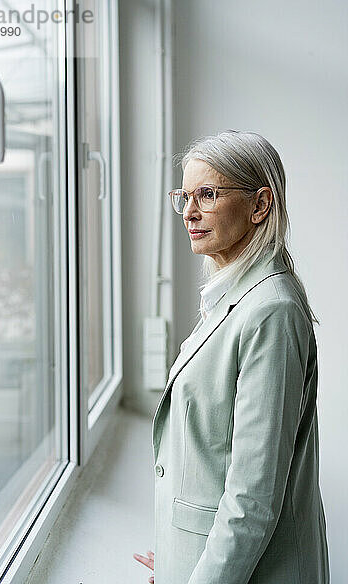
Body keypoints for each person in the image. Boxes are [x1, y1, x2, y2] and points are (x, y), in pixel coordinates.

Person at [133, 130, 330, 583]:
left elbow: (252, 498)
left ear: (260, 205)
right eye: (184, 195)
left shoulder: (272, 311)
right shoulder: (233, 296)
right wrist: (178, 556)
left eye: (207, 194)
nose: (188, 212)